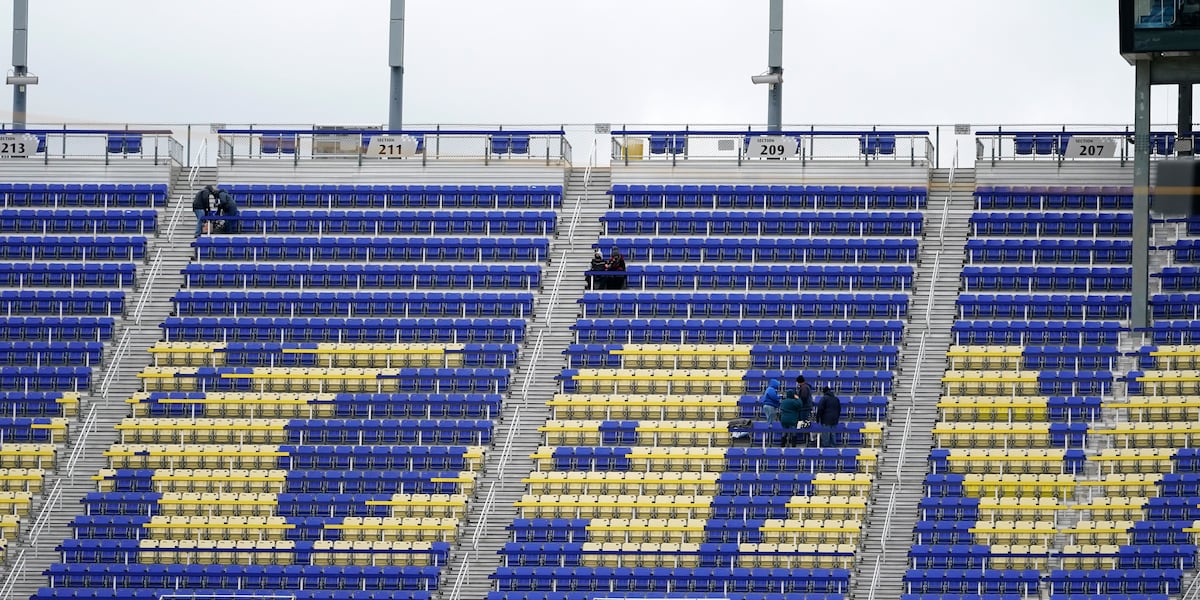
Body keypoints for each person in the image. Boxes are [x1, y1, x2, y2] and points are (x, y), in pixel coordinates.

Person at [785, 375, 814, 446]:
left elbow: (803, 397)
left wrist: (797, 398)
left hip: (804, 408)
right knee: (803, 423)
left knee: (804, 423)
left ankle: (810, 439)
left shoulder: (804, 388)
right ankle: (808, 438)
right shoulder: (805, 387)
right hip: (805, 407)